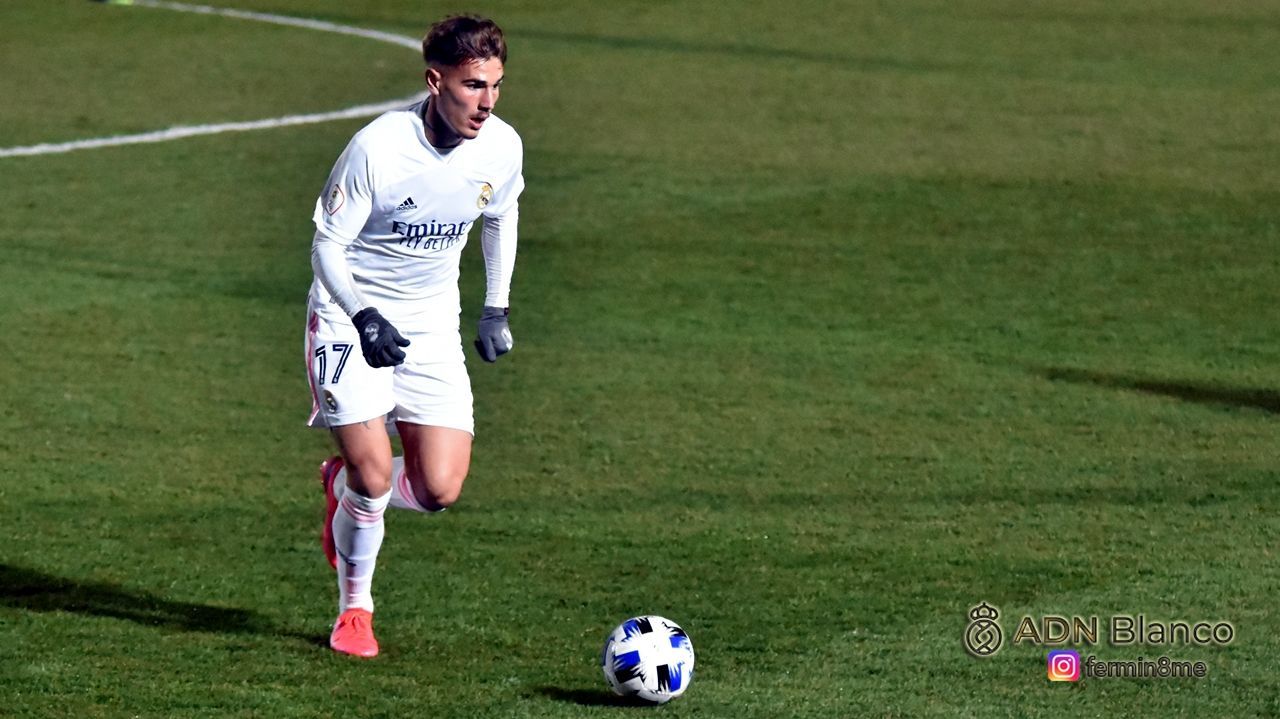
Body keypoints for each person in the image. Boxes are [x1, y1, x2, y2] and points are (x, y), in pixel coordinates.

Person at [303, 14, 523, 658]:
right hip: (349, 317)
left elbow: (500, 215)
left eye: (496, 85)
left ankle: (340, 486)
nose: (487, 102)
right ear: (435, 81)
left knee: (439, 489)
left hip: (429, 324)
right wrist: (361, 315)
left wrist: (495, 307)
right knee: (374, 479)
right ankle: (355, 611)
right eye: (473, 85)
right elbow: (327, 247)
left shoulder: (501, 146)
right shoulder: (378, 148)